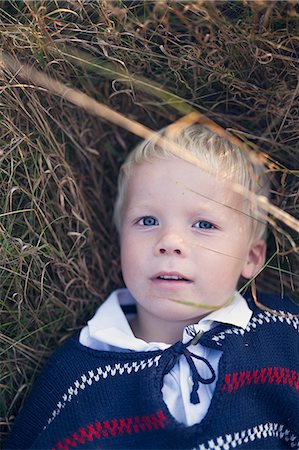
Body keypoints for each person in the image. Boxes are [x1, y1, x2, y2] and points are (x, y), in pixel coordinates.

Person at [4, 124, 299, 450]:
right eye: (147, 221)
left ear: (252, 257)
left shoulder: (284, 333)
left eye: (204, 224)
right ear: (121, 241)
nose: (170, 242)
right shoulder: (78, 375)